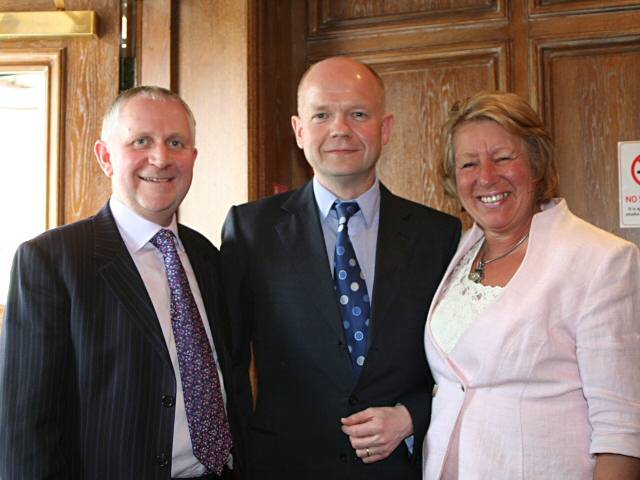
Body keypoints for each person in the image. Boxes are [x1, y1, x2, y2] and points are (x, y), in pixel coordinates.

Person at [220, 56, 461, 480]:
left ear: (384, 129)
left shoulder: (438, 235)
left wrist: (411, 415)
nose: (340, 129)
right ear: (299, 130)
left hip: (399, 470)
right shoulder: (250, 230)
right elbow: (230, 364)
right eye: (321, 115)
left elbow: (463, 366)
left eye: (358, 114)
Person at [0, 86, 243, 479]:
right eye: (141, 141)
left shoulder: (208, 256)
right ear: (105, 156)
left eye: (176, 142)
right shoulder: (50, 261)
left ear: (193, 158)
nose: (161, 158)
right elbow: (26, 426)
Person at [423, 91, 640, 479]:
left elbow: (621, 432)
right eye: (469, 164)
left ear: (537, 163)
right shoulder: (454, 253)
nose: (486, 176)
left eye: (504, 157)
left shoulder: (600, 260)